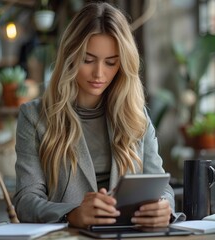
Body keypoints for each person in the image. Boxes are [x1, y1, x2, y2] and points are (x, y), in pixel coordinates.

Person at [14, 2, 182, 229]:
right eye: (88, 59)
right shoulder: (34, 117)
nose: (99, 73)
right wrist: (71, 214)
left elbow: (161, 186)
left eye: (111, 62)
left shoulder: (135, 115)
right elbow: (25, 201)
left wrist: (164, 208)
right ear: (70, 56)